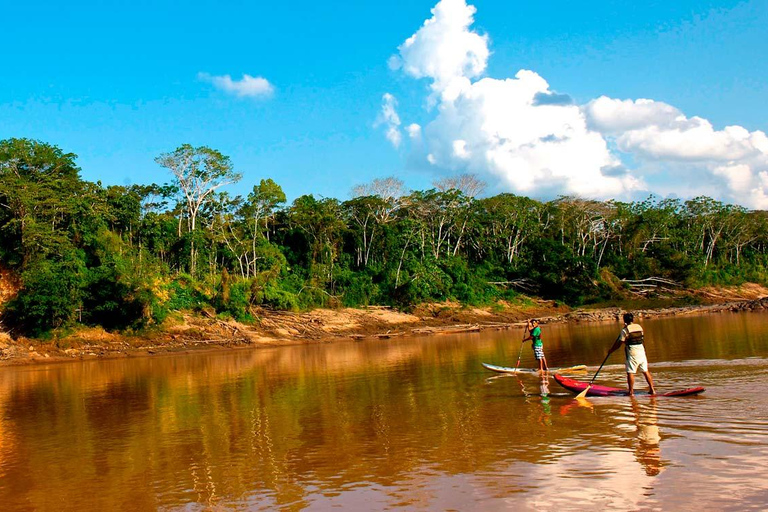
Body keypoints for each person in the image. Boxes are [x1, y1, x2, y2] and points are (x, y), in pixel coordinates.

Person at [608, 312, 656, 396]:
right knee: (645, 371)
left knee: (630, 372)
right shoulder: (639, 327)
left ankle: (631, 392)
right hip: (641, 350)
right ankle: (652, 389)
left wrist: (611, 350)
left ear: (625, 320)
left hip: (632, 351)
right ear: (632, 319)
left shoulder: (625, 330)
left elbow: (620, 343)